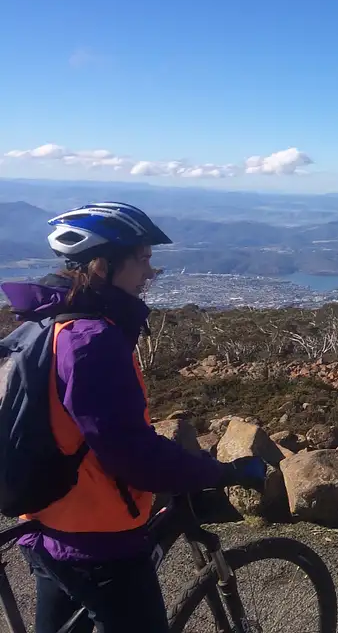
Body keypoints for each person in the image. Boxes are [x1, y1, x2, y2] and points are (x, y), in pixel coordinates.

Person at [0, 202, 267, 633]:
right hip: (99, 545)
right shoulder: (92, 341)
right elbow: (133, 454)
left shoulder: (45, 322)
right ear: (103, 266)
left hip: (49, 525)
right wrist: (217, 472)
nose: (150, 272)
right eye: (142, 259)